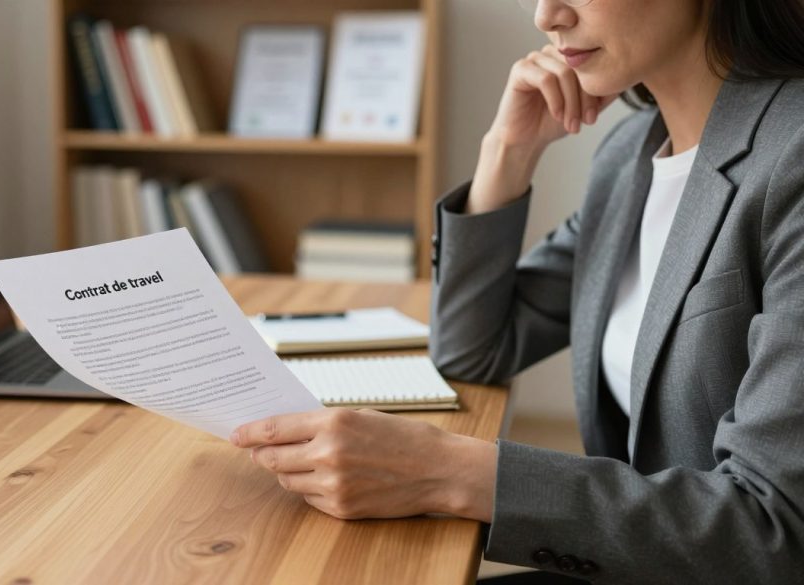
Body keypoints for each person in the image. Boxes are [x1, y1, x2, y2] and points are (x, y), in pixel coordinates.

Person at [228, 0, 804, 582]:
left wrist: (448, 470)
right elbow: (474, 348)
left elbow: (772, 530)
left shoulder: (794, 159)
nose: (546, 15)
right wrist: (507, 150)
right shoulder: (630, 155)